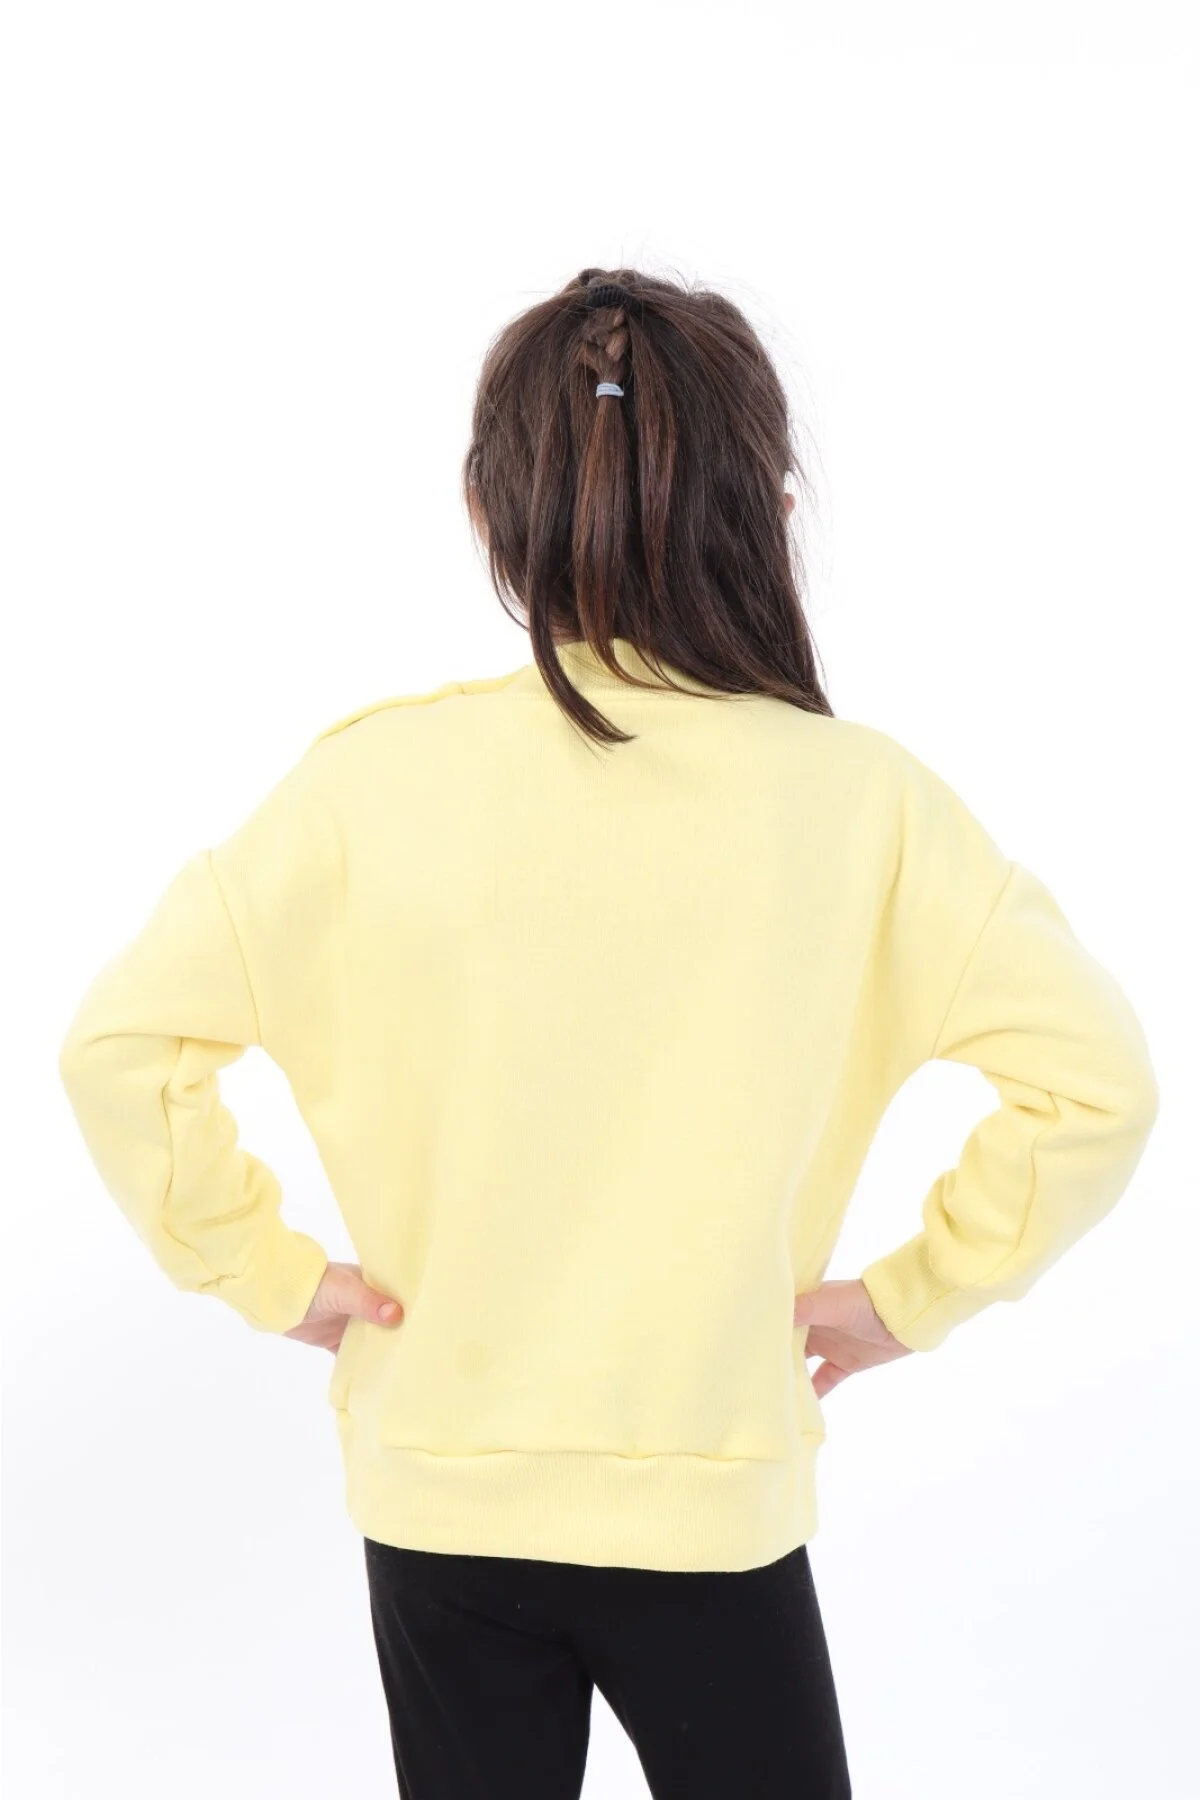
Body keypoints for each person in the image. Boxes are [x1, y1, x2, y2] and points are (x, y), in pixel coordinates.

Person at [58, 266, 1160, 1800]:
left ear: (484, 506)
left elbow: (121, 1046)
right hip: (709, 1495)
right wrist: (912, 1299)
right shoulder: (864, 806)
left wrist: (266, 1270)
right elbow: (1096, 1086)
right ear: (772, 505)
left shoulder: (366, 791)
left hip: (440, 1494)